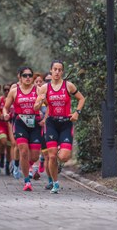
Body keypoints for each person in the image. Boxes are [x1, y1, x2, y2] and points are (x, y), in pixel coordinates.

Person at [34, 60, 86, 194]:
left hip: (66, 123)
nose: (57, 72)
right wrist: (40, 102)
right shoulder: (45, 88)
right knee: (51, 156)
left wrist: (76, 113)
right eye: (54, 69)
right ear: (51, 71)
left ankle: (58, 152)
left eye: (59, 69)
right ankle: (55, 183)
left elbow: (82, 99)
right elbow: (35, 106)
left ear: (62, 71)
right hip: (51, 123)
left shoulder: (68, 86)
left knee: (64, 157)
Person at [3, 67, 42, 191]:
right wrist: (5, 114)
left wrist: (45, 118)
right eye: (25, 75)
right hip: (20, 123)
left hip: (35, 123)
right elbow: (6, 107)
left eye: (30, 75)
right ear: (20, 77)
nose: (28, 77)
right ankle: (27, 181)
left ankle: (29, 165)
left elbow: (49, 105)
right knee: (23, 152)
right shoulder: (14, 91)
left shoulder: (39, 90)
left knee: (34, 156)